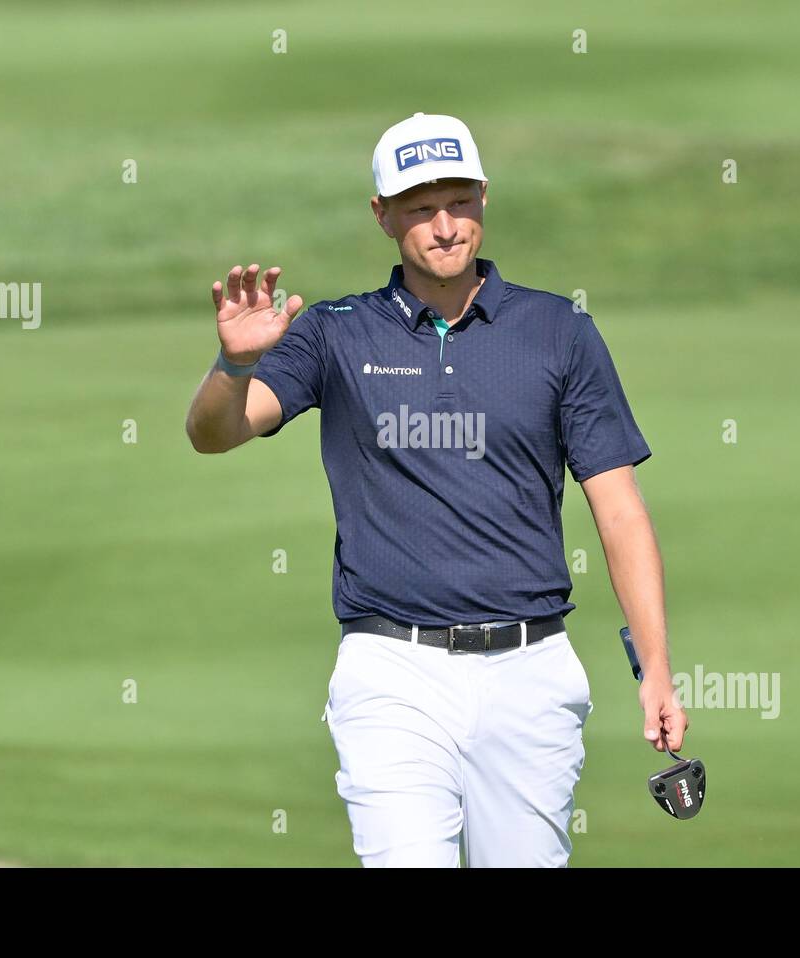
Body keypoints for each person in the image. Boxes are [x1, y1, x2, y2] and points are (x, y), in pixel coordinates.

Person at [185, 112, 686, 867]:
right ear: (382, 216)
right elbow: (214, 432)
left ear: (485, 197)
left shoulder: (558, 330)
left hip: (531, 670)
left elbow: (618, 510)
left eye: (459, 201)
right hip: (392, 672)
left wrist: (656, 670)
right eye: (420, 208)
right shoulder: (335, 332)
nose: (445, 226)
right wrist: (232, 367)